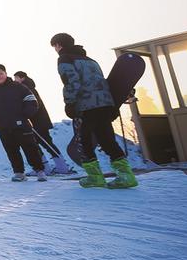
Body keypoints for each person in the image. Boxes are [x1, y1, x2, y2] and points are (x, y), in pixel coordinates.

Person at [50, 33, 137, 188]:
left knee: (85, 141)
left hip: (87, 105)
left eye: (55, 46)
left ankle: (95, 177)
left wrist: (69, 103)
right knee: (107, 139)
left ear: (59, 45)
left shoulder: (65, 59)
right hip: (104, 103)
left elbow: (72, 82)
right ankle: (126, 175)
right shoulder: (90, 60)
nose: (55, 49)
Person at [0, 64, 47, 182]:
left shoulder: (18, 87)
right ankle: (19, 173)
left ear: (6, 74)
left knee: (30, 148)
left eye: (0, 73)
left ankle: (40, 171)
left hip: (22, 125)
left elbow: (31, 100)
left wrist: (25, 114)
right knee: (11, 151)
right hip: (3, 127)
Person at [13, 71, 73, 175]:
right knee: (35, 145)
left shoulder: (28, 89)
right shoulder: (24, 89)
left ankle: (62, 167)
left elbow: (35, 105)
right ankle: (45, 167)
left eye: (16, 78)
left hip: (38, 122)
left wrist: (26, 114)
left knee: (46, 143)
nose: (14, 80)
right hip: (32, 122)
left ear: (22, 78)